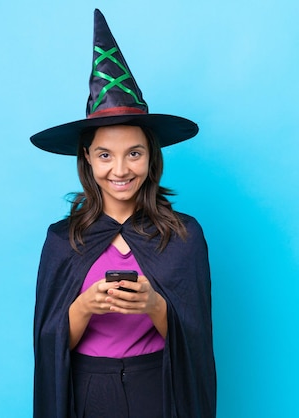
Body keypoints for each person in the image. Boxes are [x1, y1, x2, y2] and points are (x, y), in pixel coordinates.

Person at [30, 9, 216, 418]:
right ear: (88, 160)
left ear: (151, 157)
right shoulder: (63, 240)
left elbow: (197, 342)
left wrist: (153, 304)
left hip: (158, 386)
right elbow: (48, 343)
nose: (120, 170)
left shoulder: (184, 235)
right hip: (88, 390)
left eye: (134, 153)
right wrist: (84, 306)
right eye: (105, 155)